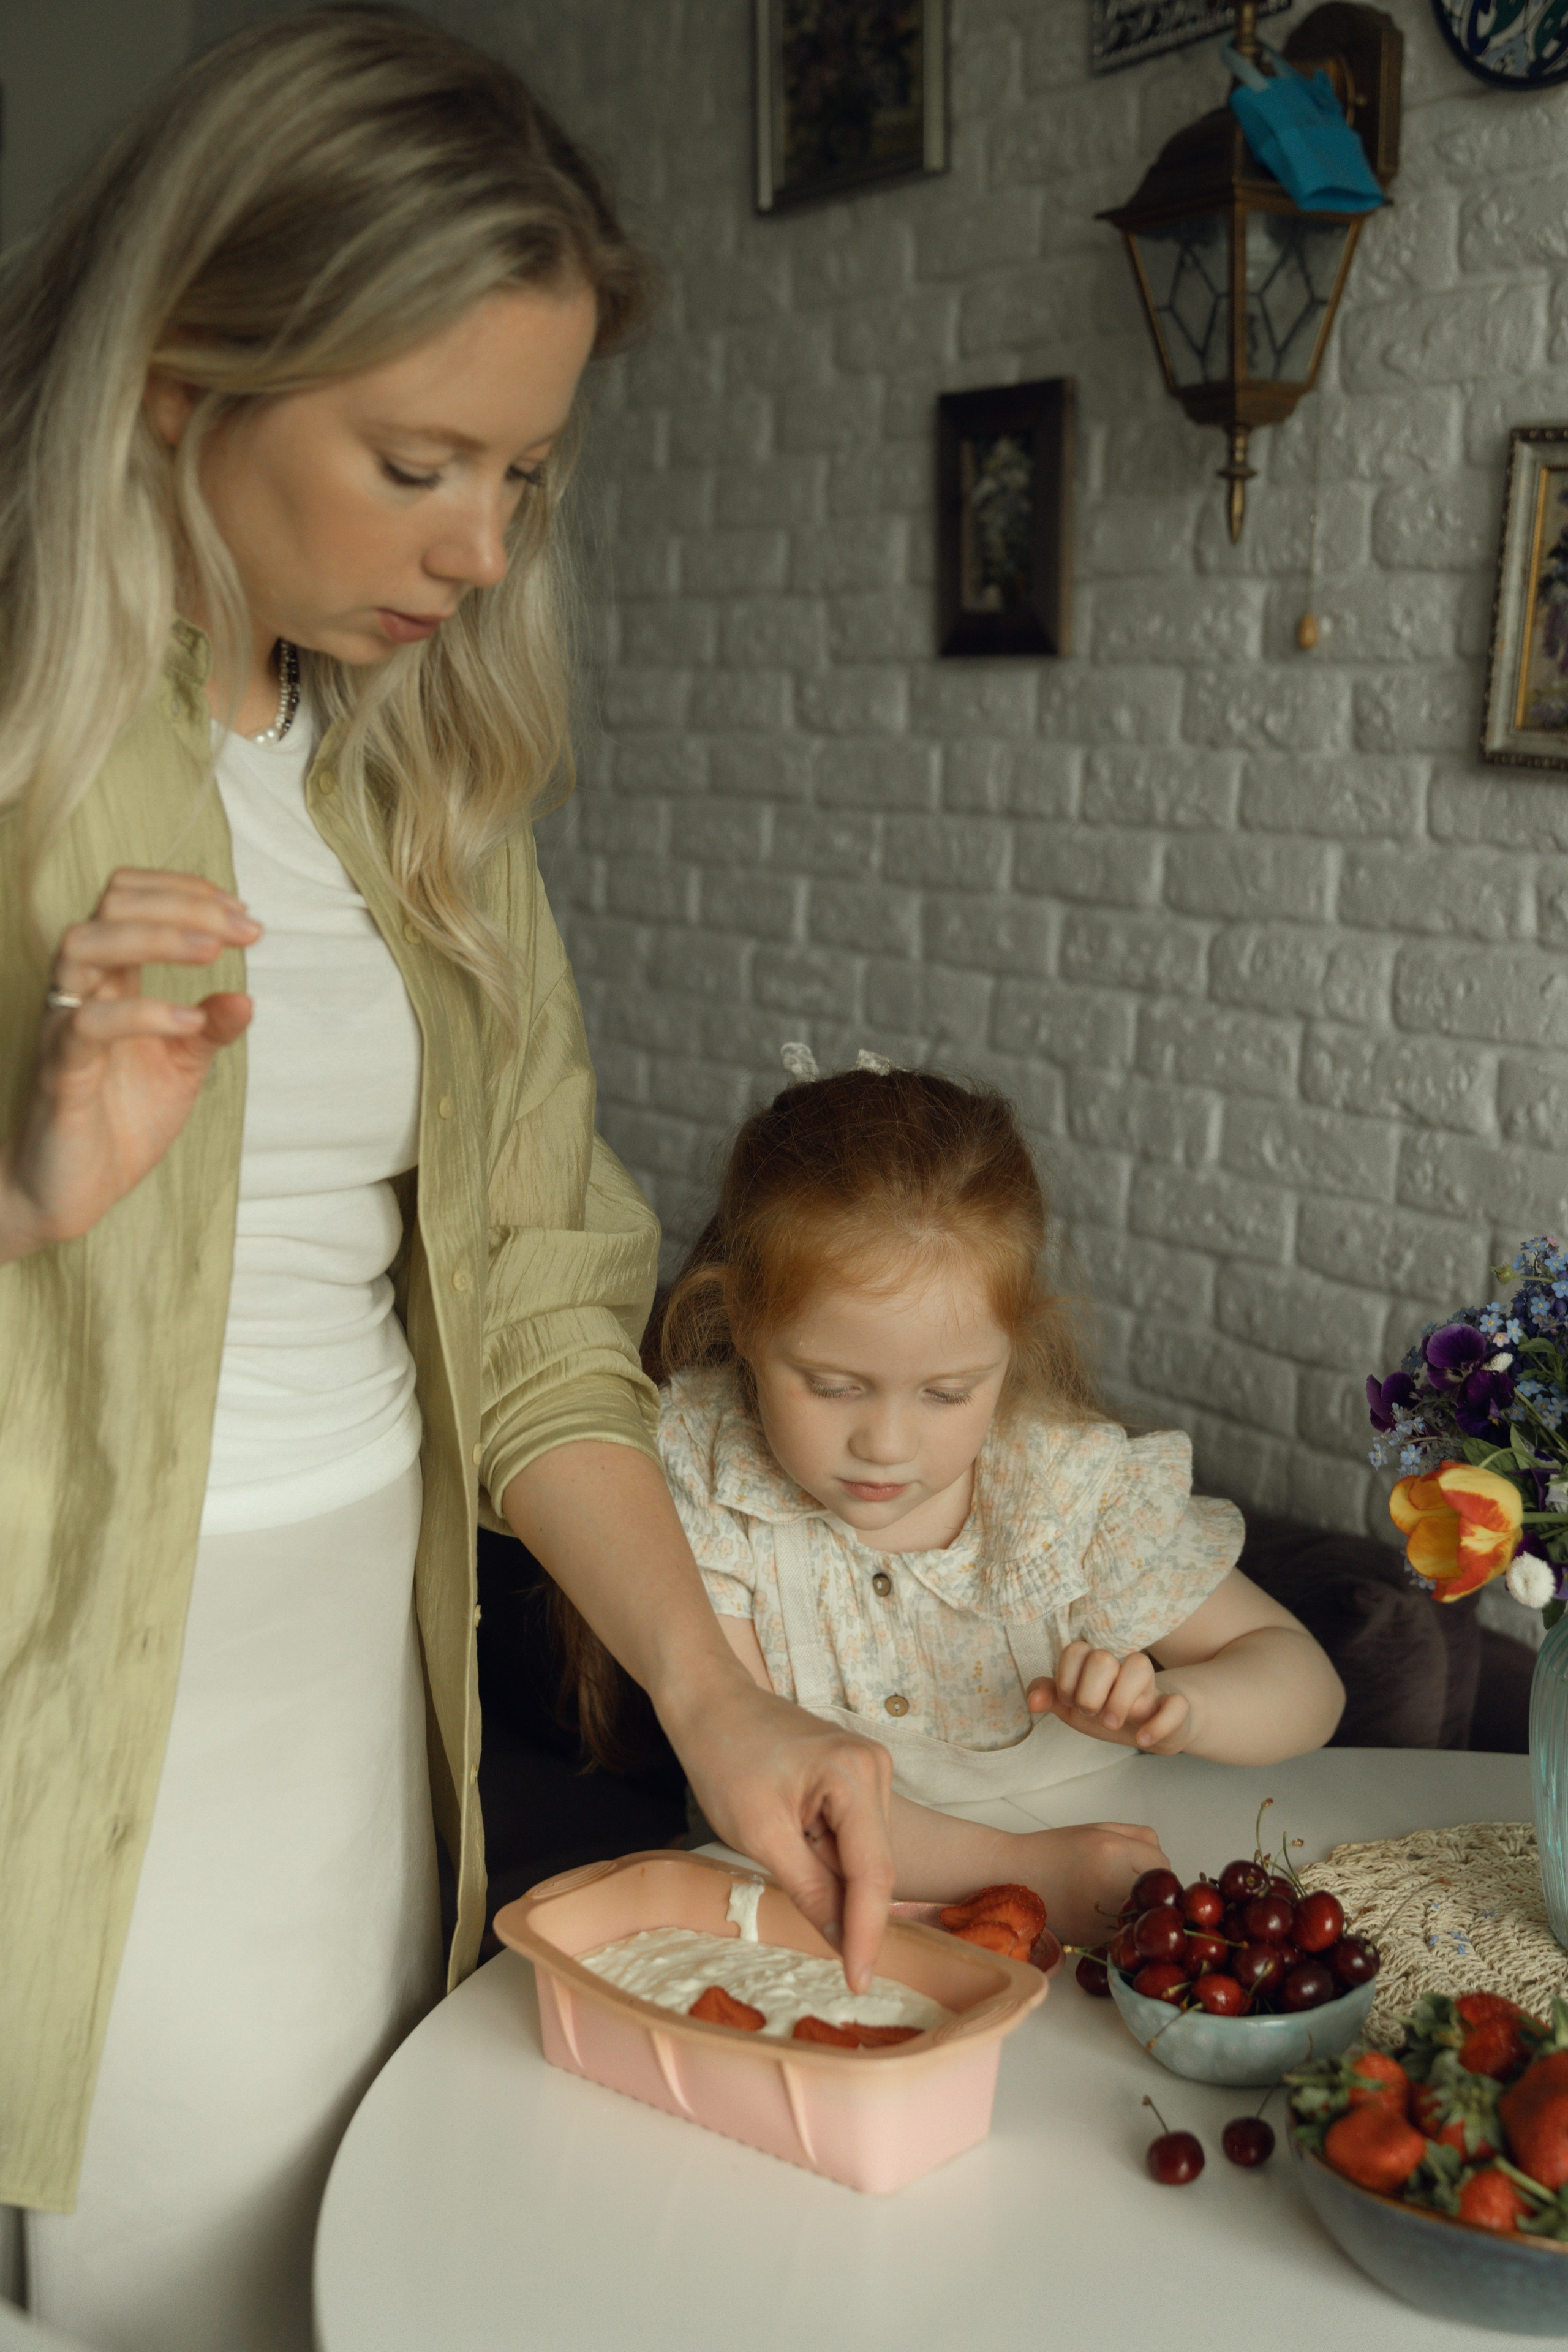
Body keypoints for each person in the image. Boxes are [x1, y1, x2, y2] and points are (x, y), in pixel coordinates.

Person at [0, 15, 894, 2350]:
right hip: (58, 1670)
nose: (480, 548)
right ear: (186, 373)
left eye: (525, 474)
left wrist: (723, 1704)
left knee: (305, 2273)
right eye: (420, 460)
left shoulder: (424, 802)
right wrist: (20, 1201)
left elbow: (527, 1302)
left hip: (349, 1683)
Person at [650, 1053, 1348, 1947]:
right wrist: (1037, 1870)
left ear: (1011, 1351)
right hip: (802, 1918)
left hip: (1111, 1906)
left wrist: (1187, 1709)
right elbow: (779, 1799)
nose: (887, 1445)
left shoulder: (1068, 1490)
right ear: (743, 1321)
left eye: (946, 1393)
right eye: (832, 1385)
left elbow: (1307, 1685)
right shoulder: (710, 1473)